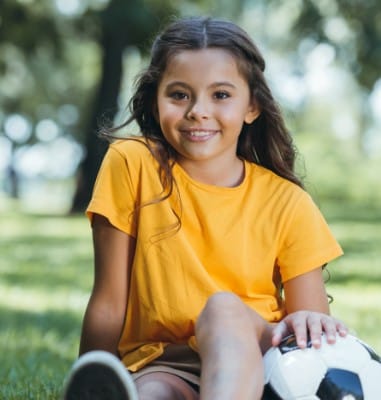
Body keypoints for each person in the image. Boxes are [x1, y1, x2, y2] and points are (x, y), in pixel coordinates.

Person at [62, 16, 348, 400]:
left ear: (252, 106)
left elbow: (308, 328)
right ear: (154, 99)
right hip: (164, 364)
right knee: (151, 394)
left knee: (222, 310)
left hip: (261, 360)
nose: (197, 110)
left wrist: (309, 321)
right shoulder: (132, 163)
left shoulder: (287, 201)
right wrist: (93, 372)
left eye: (221, 95)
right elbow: (109, 300)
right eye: (179, 95)